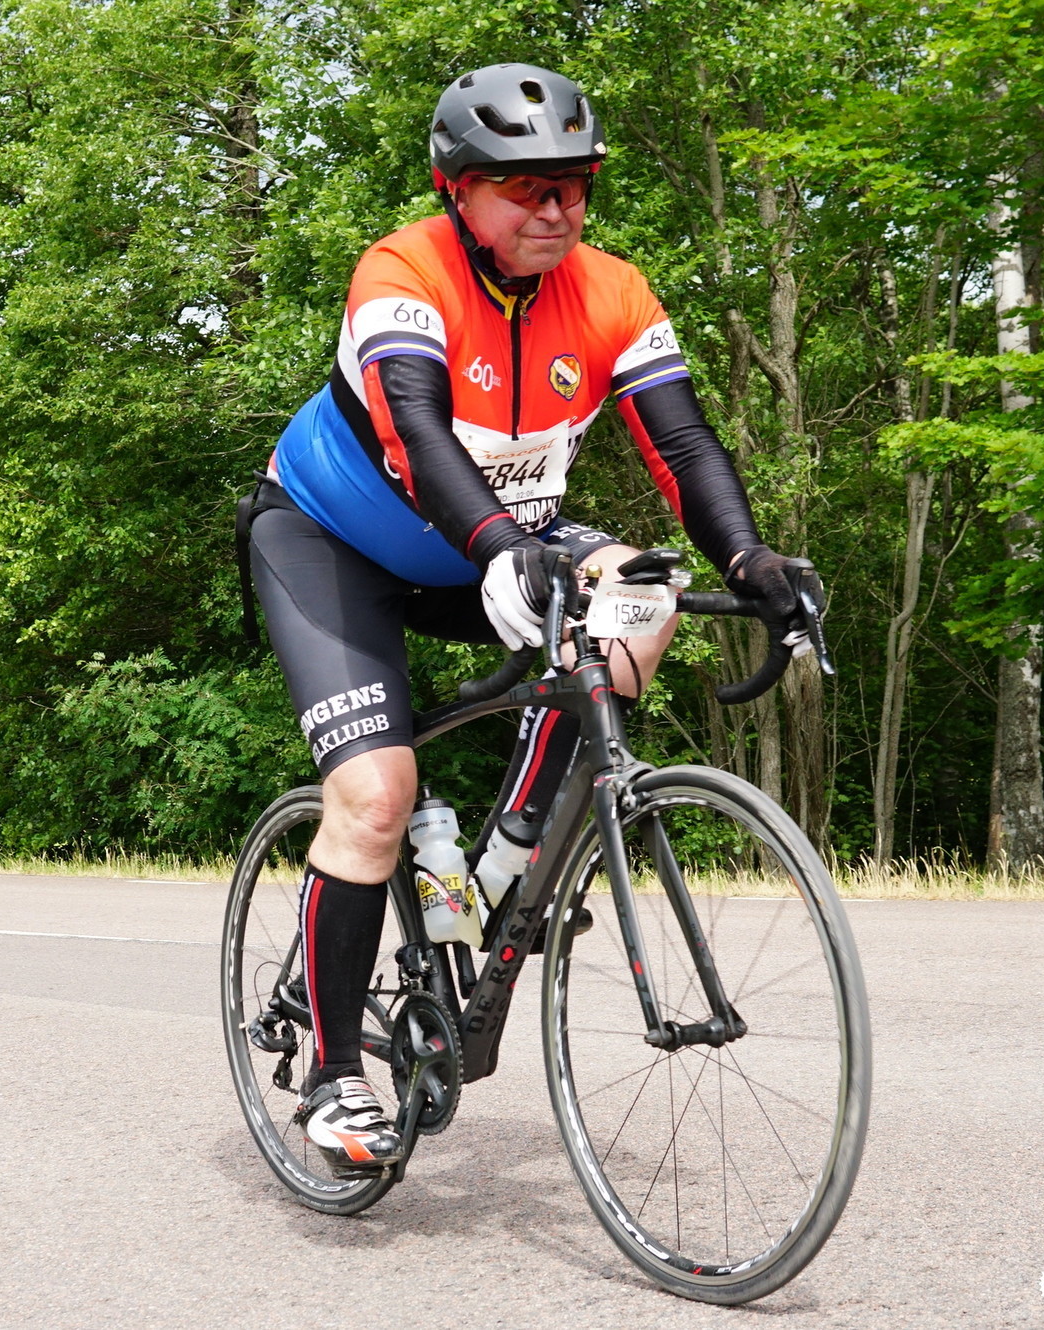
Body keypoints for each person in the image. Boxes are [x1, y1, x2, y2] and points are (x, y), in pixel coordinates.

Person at [246, 63, 807, 1174]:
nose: (554, 209)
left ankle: (509, 856)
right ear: (458, 190)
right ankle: (333, 1076)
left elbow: (683, 443)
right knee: (375, 797)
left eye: (573, 186)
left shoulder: (613, 291)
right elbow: (417, 426)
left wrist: (748, 557)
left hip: (496, 538)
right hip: (334, 543)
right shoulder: (401, 270)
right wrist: (502, 544)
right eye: (524, 188)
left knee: (640, 592)